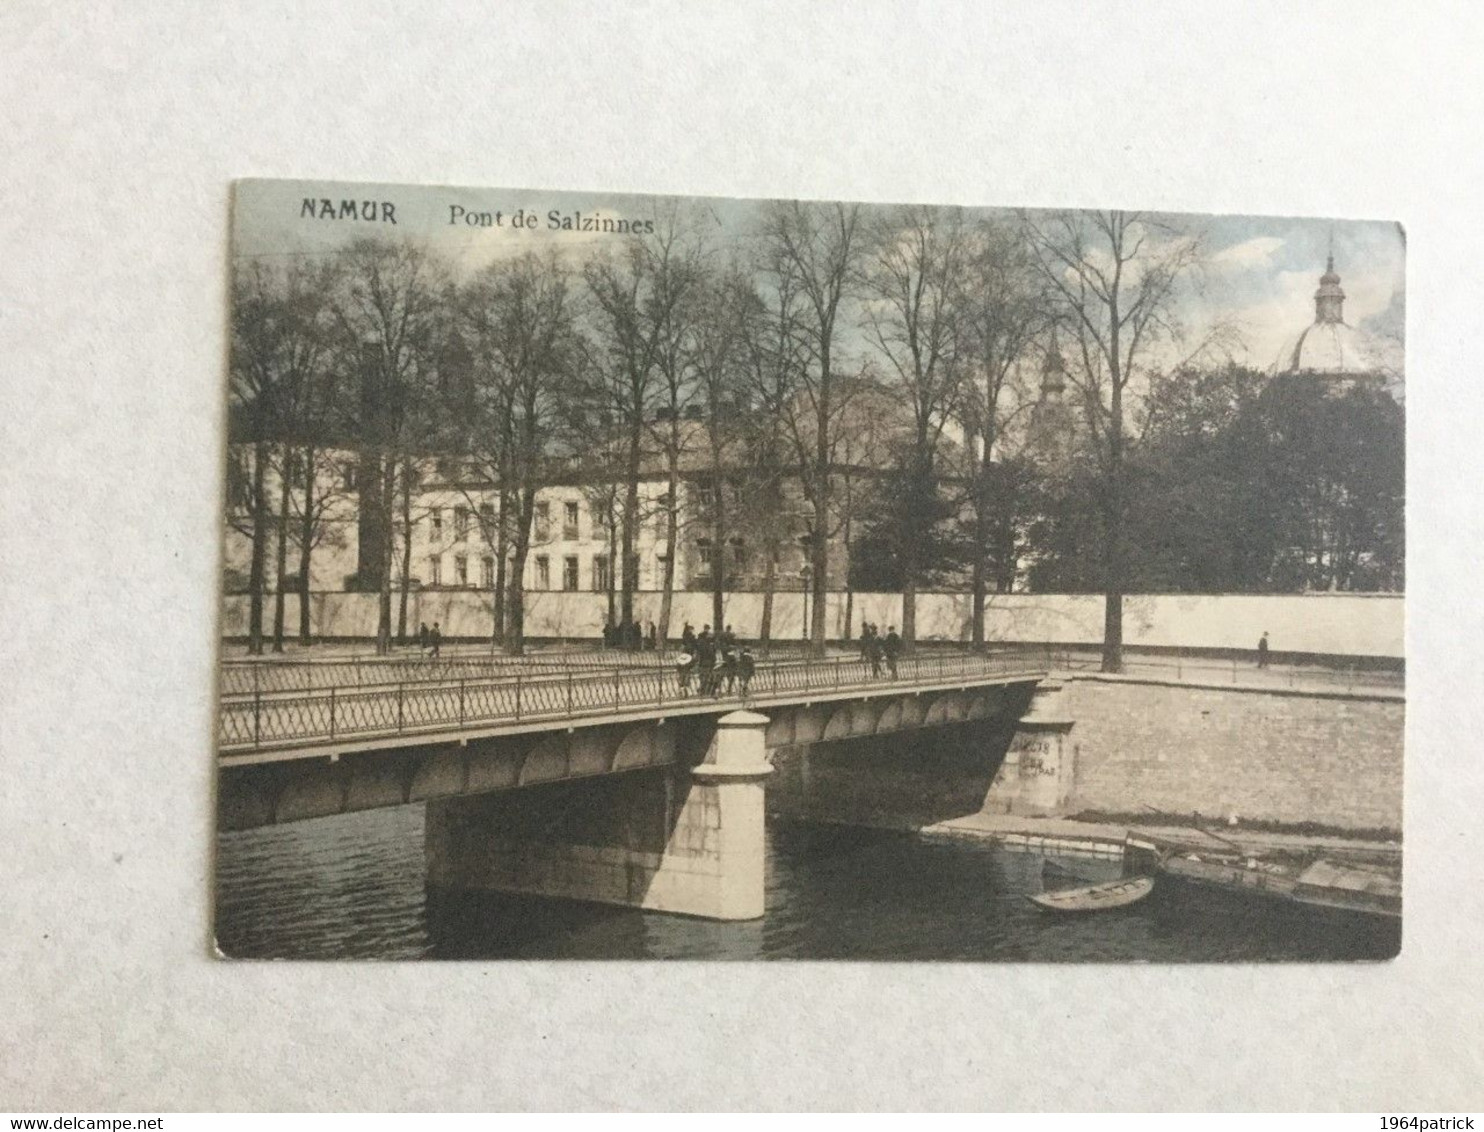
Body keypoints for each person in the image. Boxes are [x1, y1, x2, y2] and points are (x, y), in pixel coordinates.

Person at [696, 626, 716, 695]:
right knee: (708, 677)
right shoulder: (708, 646)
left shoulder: (700, 642)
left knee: (703, 677)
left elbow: (699, 652)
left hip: (702, 662)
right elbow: (712, 654)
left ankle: (702, 690)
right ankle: (706, 691)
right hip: (708, 662)